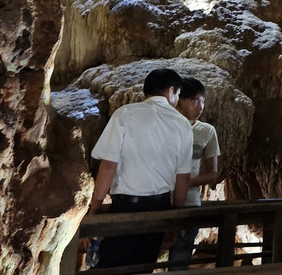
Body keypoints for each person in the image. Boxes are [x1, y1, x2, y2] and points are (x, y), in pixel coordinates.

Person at [89, 67, 194, 272]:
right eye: (178, 95)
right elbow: (183, 178)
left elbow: (109, 165)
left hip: (126, 207)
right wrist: (174, 219)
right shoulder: (183, 124)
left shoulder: (125, 114)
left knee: (110, 268)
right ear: (171, 91)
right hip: (160, 208)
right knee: (143, 268)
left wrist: (95, 206)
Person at [167, 77, 220, 270]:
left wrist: (186, 183)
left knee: (179, 262)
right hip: (159, 201)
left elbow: (212, 173)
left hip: (189, 204)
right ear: (180, 102)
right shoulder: (165, 127)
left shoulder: (207, 132)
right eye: (194, 101)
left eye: (202, 101)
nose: (200, 107)